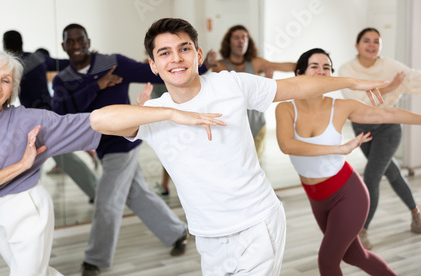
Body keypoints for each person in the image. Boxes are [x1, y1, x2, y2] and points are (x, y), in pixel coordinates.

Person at [88, 18, 388, 276]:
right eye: (164, 53)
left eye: (184, 49)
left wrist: (351, 82)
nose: (176, 58)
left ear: (198, 54)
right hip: (208, 236)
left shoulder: (229, 85)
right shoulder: (154, 113)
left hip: (256, 223)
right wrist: (173, 113)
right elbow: (99, 120)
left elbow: (294, 87)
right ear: (153, 66)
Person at [52, 23, 214, 276]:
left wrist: (203, 66)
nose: (76, 46)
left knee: (107, 201)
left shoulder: (111, 63)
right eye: (70, 42)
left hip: (124, 142)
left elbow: (151, 72)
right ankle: (177, 232)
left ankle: (94, 261)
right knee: (136, 194)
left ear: (88, 40)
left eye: (80, 40)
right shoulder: (64, 79)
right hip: (102, 147)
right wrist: (97, 86)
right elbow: (61, 112)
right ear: (63, 46)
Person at [0, 50, 101, 276]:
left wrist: (146, 116)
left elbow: (90, 122)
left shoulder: (28, 119)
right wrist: (22, 165)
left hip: (27, 207)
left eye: (6, 81)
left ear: (11, 90)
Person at [274, 48, 409, 275]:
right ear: (299, 73)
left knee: (327, 262)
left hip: (348, 194)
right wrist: (338, 148)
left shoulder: (339, 107)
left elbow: (390, 114)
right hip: (317, 197)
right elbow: (287, 145)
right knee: (356, 255)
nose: (321, 71)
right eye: (314, 66)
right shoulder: (286, 108)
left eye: (327, 67)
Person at [339, 27, 421, 249]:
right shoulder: (347, 69)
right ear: (357, 46)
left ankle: (361, 230)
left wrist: (393, 88)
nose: (372, 45)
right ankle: (416, 214)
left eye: (376, 41)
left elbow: (414, 78)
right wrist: (389, 88)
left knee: (372, 177)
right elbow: (356, 100)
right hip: (363, 129)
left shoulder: (390, 66)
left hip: (389, 127)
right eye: (367, 41)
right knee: (392, 172)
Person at [3, 30, 98, 202]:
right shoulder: (36, 58)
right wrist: (89, 59)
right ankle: (95, 192)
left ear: (6, 46)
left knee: (40, 160)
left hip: (33, 120)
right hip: (49, 114)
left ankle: (27, 198)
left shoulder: (10, 65)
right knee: (48, 158)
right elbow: (64, 63)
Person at [212, 25, 296, 162]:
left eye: (244, 37)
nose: (241, 41)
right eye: (236, 37)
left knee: (256, 166)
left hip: (257, 125)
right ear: (229, 42)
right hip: (233, 128)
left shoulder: (256, 63)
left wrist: (309, 63)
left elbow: (283, 66)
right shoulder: (219, 66)